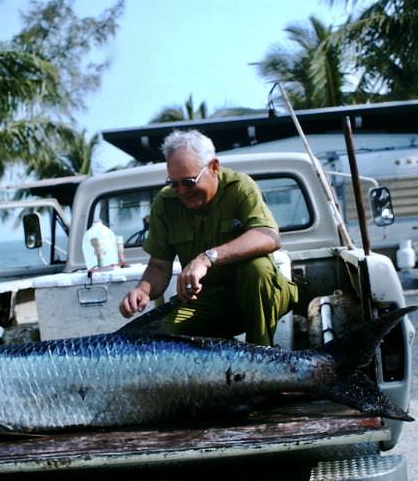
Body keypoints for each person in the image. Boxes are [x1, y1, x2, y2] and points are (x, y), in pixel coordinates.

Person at [119, 130, 298, 346]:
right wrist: (143, 290)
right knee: (160, 335)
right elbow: (159, 265)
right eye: (174, 184)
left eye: (189, 182)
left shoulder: (240, 187)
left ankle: (261, 359)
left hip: (257, 296)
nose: (182, 191)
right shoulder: (165, 204)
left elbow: (268, 236)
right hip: (206, 301)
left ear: (213, 167)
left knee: (257, 270)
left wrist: (207, 258)